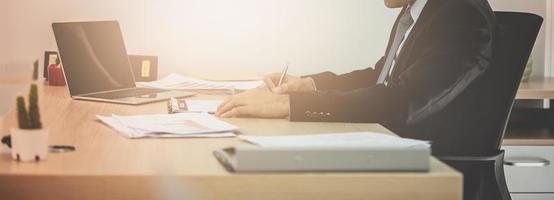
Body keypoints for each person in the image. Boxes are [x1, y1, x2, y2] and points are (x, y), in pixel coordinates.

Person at [216, 0, 495, 155]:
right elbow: (382, 76)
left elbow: (405, 100)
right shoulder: (416, 10)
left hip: (431, 167)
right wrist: (310, 84)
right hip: (391, 146)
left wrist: (293, 105)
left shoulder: (461, 14)